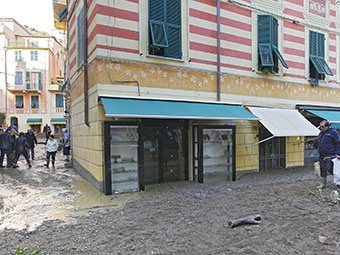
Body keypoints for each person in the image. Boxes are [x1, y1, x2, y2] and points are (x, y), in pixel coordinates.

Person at [317, 120, 340, 189]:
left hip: (331, 155)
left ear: (327, 126)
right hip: (322, 154)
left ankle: (338, 182)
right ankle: (323, 184)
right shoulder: (321, 133)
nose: (321, 128)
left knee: (331, 169)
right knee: (322, 169)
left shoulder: (333, 133)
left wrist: (338, 153)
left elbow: (338, 143)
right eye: (320, 127)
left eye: (322, 126)